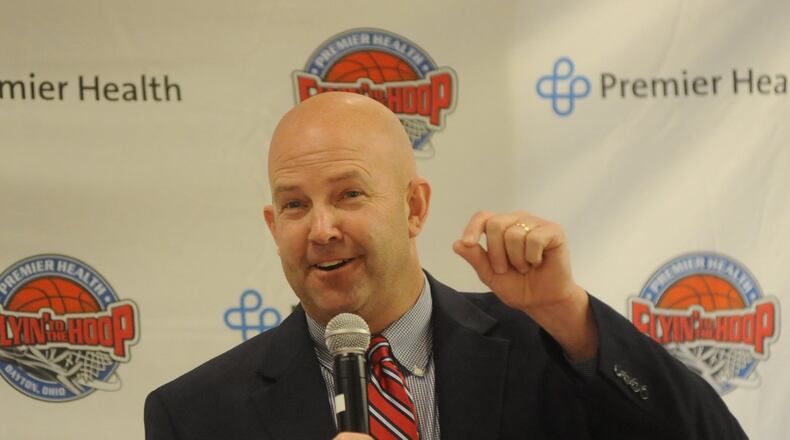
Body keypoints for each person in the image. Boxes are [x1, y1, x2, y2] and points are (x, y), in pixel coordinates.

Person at [144, 92, 747, 440]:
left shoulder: (548, 351)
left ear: (414, 207)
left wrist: (568, 315)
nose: (322, 229)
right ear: (274, 228)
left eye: (350, 194)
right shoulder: (197, 415)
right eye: (295, 205)